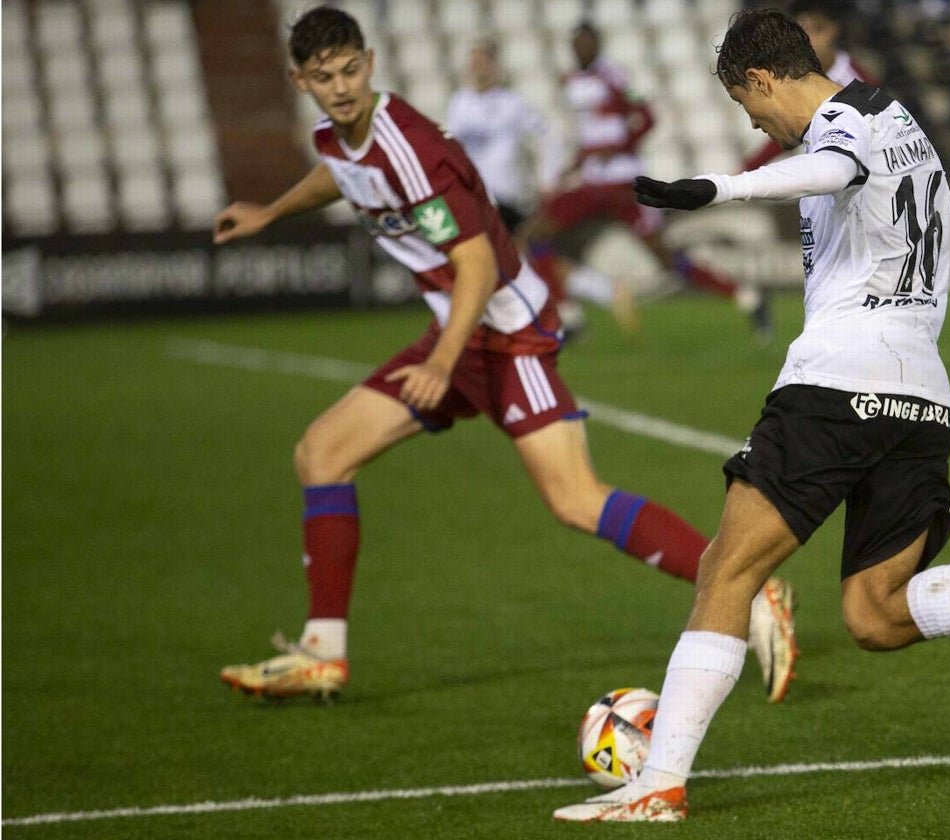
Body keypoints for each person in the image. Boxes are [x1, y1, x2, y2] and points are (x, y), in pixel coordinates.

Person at [553, 9, 950, 821]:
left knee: (726, 571)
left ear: (763, 79)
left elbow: (832, 169)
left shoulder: (843, 123)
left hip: (837, 382)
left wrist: (720, 188)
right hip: (921, 392)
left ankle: (659, 784)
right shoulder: (905, 128)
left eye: (751, 109)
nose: (759, 127)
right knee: (875, 614)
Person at [212, 7, 798, 704]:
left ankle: (751, 588)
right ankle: (322, 652)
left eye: (348, 71)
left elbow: (478, 266)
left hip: (504, 335)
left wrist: (441, 362)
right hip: (459, 335)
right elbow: (340, 173)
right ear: (300, 79)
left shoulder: (413, 149)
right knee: (322, 454)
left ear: (369, 62)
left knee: (578, 500)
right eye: (322, 78)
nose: (339, 88)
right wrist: (270, 212)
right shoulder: (340, 139)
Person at [520, 21, 774, 343]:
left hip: (623, 182)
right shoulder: (572, 81)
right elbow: (592, 135)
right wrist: (575, 165)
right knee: (536, 236)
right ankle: (568, 316)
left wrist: (621, 146)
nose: (581, 49)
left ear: (597, 45)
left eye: (587, 43)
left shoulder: (613, 75)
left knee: (665, 258)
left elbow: (646, 118)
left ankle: (747, 295)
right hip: (591, 182)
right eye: (576, 44)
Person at [446, 37, 638, 334]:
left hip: (505, 194)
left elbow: (546, 137)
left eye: (483, 61)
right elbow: (452, 149)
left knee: (513, 254)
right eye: (474, 61)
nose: (477, 68)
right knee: (523, 255)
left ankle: (561, 309)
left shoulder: (510, 103)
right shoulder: (459, 104)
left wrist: (547, 179)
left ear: (494, 65)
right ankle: (594, 294)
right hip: (474, 194)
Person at [741, 0, 880, 172]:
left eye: (818, 29)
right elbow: (788, 129)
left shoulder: (859, 80)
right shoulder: (787, 75)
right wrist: (748, 167)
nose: (810, 38)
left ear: (834, 31)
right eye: (803, 30)